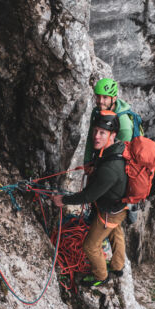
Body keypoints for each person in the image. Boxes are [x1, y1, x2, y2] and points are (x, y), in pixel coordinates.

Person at [51, 110, 128, 287]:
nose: (96, 136)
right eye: (95, 131)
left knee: (90, 246)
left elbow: (89, 195)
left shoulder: (111, 168)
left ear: (113, 135)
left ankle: (101, 276)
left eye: (102, 133)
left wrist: (63, 200)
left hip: (109, 211)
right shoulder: (115, 150)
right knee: (116, 232)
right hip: (118, 206)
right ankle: (118, 267)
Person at [83, 78, 133, 171]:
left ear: (114, 99)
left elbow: (122, 154)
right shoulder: (97, 111)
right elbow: (91, 135)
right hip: (101, 157)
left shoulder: (124, 123)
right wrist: (87, 161)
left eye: (105, 97)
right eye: (98, 96)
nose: (100, 101)